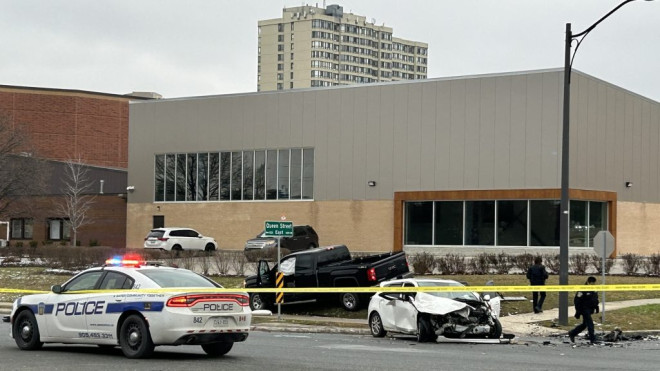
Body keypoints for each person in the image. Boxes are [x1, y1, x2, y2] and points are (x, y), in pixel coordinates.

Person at [568, 276, 600, 344]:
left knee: (585, 324)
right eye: (592, 283)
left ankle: (572, 333)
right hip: (584, 309)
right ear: (588, 282)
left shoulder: (594, 289)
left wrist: (596, 307)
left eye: (594, 283)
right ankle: (592, 339)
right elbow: (577, 300)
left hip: (590, 309)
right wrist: (578, 311)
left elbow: (595, 299)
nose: (593, 285)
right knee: (590, 324)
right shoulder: (582, 289)